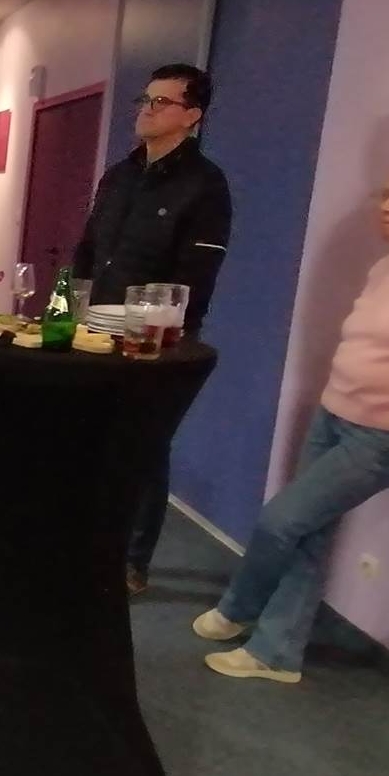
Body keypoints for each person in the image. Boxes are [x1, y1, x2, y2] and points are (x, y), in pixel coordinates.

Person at [192, 158, 389, 683]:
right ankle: (275, 654)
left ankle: (239, 609)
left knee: (282, 520)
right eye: (386, 194)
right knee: (309, 531)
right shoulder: (388, 266)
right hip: (336, 412)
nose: (388, 206)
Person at [71, 63, 235, 595]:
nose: (146, 108)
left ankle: (131, 561)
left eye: (162, 102)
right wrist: (72, 307)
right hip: (96, 326)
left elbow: (196, 277)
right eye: (145, 99)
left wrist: (162, 338)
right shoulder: (118, 176)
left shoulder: (205, 185)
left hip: (154, 338)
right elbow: (89, 249)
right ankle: (89, 540)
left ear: (192, 115)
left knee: (144, 447)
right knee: (93, 438)